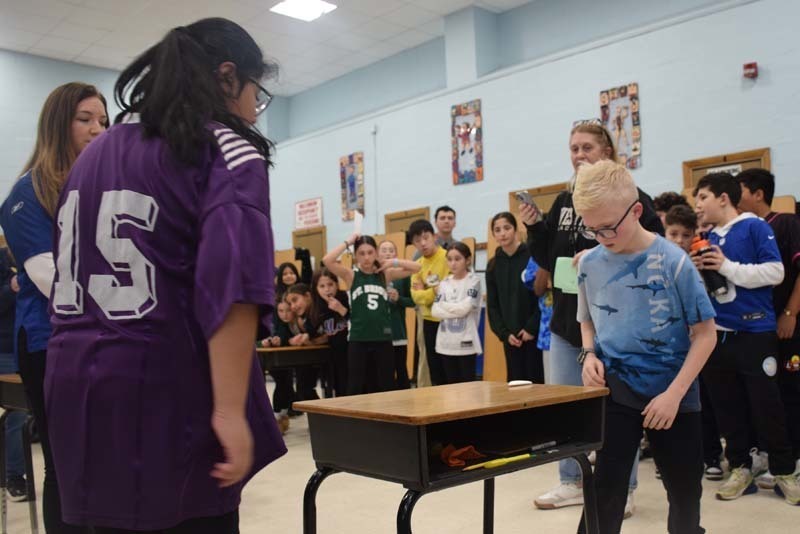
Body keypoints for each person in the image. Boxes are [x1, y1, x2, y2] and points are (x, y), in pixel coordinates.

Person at [42, 19, 288, 532]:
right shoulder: (224, 148)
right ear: (227, 78)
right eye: (255, 94)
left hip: (75, 392)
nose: (253, 110)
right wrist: (228, 411)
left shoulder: (95, 155)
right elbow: (234, 289)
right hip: (164, 394)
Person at [522, 122, 661, 511]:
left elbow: (653, 250)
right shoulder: (565, 202)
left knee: (620, 409)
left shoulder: (636, 200)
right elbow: (547, 258)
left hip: (616, 325)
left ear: (607, 151)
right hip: (568, 323)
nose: (578, 155)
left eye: (586, 147)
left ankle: (624, 489)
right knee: (568, 407)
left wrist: (601, 258)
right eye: (573, 148)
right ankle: (570, 480)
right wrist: (534, 227)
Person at [574, 160, 717, 534]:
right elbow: (586, 318)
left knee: (685, 492)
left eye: (609, 227)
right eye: (592, 230)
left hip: (674, 394)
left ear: (636, 210)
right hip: (615, 389)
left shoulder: (674, 261)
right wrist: (588, 354)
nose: (602, 236)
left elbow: (706, 334)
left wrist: (674, 394)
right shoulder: (589, 263)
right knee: (605, 488)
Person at [0, 81, 108, 533]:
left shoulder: (103, 188)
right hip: (51, 343)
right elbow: (52, 281)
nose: (96, 130)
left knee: (104, 461)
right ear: (58, 124)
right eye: (84, 119)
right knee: (66, 467)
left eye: (103, 121)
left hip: (102, 341)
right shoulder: (27, 194)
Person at [692, 172, 800, 504]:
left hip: (755, 332)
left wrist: (727, 266)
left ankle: (784, 470)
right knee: (727, 406)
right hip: (717, 337)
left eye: (703, 198)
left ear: (724, 198)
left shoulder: (755, 227)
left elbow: (775, 271)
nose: (697, 205)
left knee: (767, 404)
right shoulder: (707, 236)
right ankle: (740, 467)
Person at [737, 168, 800, 484]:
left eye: (741, 190)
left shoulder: (786, 223)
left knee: (790, 390)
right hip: (758, 331)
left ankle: (794, 459)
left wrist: (790, 312)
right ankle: (766, 454)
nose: (735, 197)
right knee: (763, 394)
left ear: (758, 193)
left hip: (787, 326)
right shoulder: (745, 231)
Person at [664, 205, 724, 480]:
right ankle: (672, 460)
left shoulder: (699, 262)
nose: (678, 240)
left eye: (684, 235)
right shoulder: (657, 262)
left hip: (700, 344)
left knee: (705, 402)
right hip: (669, 346)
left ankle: (711, 456)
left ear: (694, 236)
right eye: (672, 233)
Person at [323, 234, 419, 395]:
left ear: (376, 253)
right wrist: (348, 241)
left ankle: (387, 418)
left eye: (370, 252)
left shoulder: (385, 274)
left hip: (383, 338)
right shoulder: (351, 275)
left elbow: (417, 267)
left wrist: (392, 261)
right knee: (355, 384)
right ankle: (355, 420)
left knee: (387, 384)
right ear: (355, 256)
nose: (366, 257)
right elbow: (327, 260)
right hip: (358, 339)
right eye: (361, 253)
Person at [485, 212, 542, 383]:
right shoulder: (493, 264)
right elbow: (493, 305)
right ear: (494, 234)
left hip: (533, 334)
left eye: (507, 228)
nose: (502, 233)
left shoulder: (532, 256)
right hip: (510, 337)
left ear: (515, 229)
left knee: (537, 383)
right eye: (497, 230)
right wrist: (504, 333)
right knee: (515, 384)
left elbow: (543, 297)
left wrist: (532, 327)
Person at [431, 242, 482, 383]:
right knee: (450, 389)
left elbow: (465, 309)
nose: (453, 263)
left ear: (467, 260)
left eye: (457, 259)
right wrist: (455, 308)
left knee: (467, 387)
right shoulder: (444, 283)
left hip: (466, 343)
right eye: (450, 259)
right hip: (445, 344)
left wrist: (445, 305)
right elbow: (435, 310)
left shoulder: (474, 281)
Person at [0, 247, 27, 501]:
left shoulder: (7, 256)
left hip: (23, 347)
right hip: (5, 351)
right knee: (17, 414)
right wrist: (12, 289)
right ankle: (14, 476)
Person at [409, 220, 450, 386]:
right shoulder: (417, 265)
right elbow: (415, 296)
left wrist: (425, 290)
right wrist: (433, 291)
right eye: (418, 240)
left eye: (426, 237)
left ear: (434, 236)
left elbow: (447, 291)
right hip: (428, 322)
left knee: (449, 369)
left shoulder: (448, 257)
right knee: (434, 371)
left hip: (448, 321)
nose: (423, 243)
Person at [378, 240, 414, 389]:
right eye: (384, 250)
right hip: (377, 335)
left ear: (396, 255)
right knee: (383, 373)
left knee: (401, 371)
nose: (387, 253)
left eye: (391, 250)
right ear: (377, 254)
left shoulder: (403, 276)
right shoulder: (372, 276)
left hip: (398, 333)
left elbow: (412, 301)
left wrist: (399, 299)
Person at [310, 268, 349, 396]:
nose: (327, 289)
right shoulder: (317, 307)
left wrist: (341, 309)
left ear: (337, 285)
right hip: (333, 355)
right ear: (316, 289)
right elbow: (313, 332)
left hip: (351, 351)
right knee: (337, 389)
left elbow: (357, 321)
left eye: (330, 284)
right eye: (322, 286)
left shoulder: (345, 298)